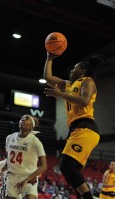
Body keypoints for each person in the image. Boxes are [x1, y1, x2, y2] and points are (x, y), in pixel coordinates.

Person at [43, 53, 102, 199]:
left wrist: (61, 95)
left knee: (65, 166)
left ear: (82, 71)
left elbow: (84, 101)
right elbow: (48, 77)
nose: (71, 71)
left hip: (86, 128)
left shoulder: (87, 81)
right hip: (76, 130)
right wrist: (49, 58)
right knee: (71, 173)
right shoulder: (68, 85)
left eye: (74, 68)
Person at [4, 115, 47, 199]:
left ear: (32, 126)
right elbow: (8, 160)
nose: (23, 120)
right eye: (22, 119)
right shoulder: (9, 138)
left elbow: (44, 166)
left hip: (29, 177)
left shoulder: (35, 142)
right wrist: (1, 170)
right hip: (13, 176)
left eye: (27, 119)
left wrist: (27, 179)